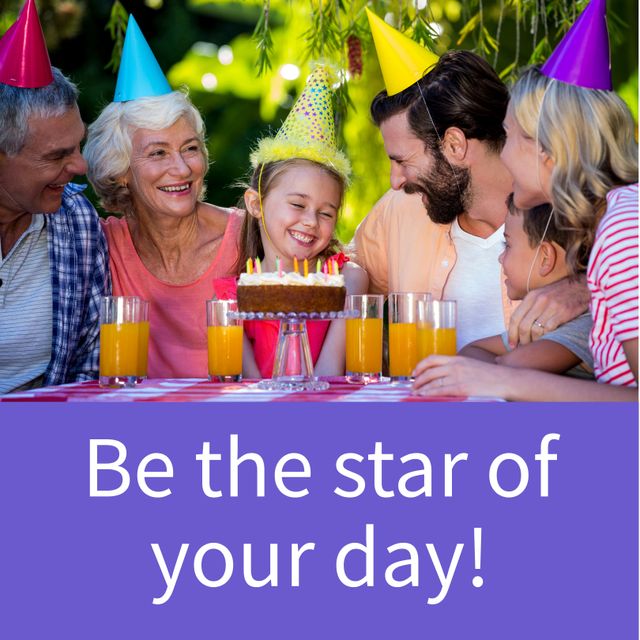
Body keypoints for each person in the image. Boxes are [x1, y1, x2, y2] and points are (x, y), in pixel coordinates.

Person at [413, 0, 637, 401]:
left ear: (547, 151)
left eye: (509, 134)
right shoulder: (614, 222)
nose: (502, 152)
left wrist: (502, 380)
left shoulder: (623, 227)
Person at [352, 11, 590, 349]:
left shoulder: (571, 208)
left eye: (402, 161)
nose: (395, 181)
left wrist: (586, 289)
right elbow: (336, 266)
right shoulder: (401, 210)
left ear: (454, 145)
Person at [84, 16, 242, 378]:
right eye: (158, 154)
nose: (183, 169)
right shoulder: (99, 247)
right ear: (120, 171)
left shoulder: (247, 238)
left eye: (190, 148)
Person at [218, 66, 367, 378]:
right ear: (256, 204)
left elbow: (328, 374)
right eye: (298, 204)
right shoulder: (235, 295)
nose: (311, 221)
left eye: (326, 212)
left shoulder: (347, 280)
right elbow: (247, 387)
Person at [0, 1, 109, 394]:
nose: (81, 167)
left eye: (77, 146)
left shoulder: (76, 219)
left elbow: (88, 364)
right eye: (57, 155)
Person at [459, 196, 593, 379]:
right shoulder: (548, 318)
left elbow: (511, 367)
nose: (500, 258)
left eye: (507, 245)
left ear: (545, 258)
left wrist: (492, 369)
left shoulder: (587, 321)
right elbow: (471, 351)